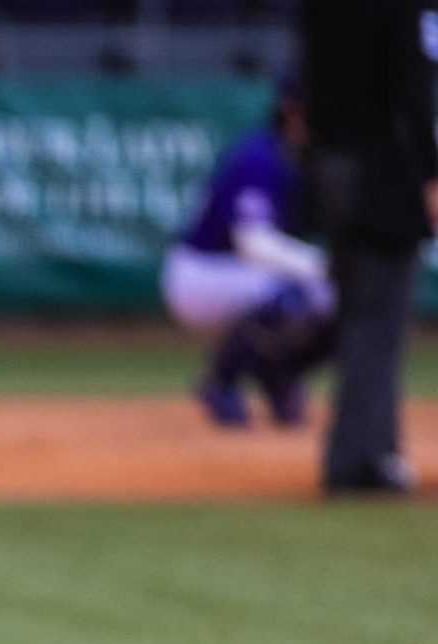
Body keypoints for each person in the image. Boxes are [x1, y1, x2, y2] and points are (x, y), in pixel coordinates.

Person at [301, 0, 438, 495]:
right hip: (383, 176)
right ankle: (363, 460)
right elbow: (411, 89)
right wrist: (430, 173)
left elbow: (309, 85)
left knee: (360, 315)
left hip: (332, 170)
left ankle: (365, 449)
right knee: (380, 321)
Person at [163, 76, 335, 430]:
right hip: (203, 271)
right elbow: (253, 243)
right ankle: (222, 381)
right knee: (294, 297)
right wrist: (322, 266)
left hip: (244, 272)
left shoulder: (303, 158)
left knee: (345, 299)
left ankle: (280, 374)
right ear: (292, 110)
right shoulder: (259, 156)